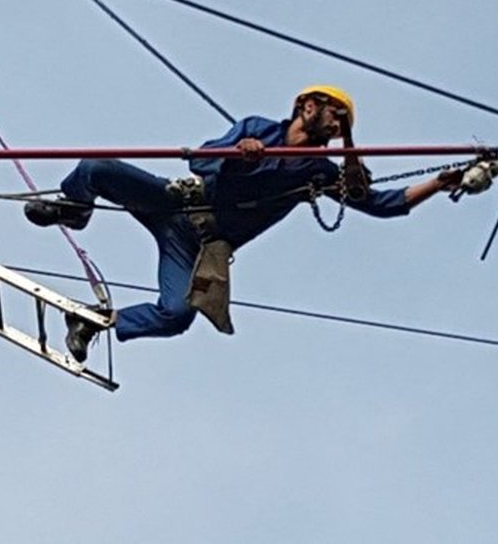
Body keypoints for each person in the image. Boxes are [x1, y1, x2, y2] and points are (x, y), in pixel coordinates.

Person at [23, 86, 465, 362]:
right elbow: (200, 159)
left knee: (177, 315)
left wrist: (438, 184)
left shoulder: (322, 172)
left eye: (341, 120)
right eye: (332, 112)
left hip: (199, 242)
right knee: (96, 168)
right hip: (174, 204)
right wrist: (237, 155)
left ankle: (95, 322)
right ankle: (77, 207)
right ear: (307, 106)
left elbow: (381, 203)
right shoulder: (259, 128)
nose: (335, 122)